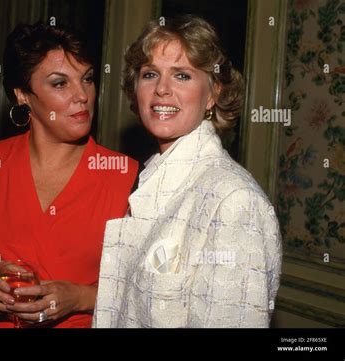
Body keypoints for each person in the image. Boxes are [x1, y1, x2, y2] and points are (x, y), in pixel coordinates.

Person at [0, 21, 138, 328]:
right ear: (23, 94)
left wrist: (80, 298)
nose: (83, 96)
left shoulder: (129, 177)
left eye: (87, 79)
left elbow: (150, 289)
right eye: (60, 83)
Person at [93, 15, 282, 328]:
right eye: (150, 73)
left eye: (181, 76)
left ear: (212, 94)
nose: (162, 90)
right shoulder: (153, 181)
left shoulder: (234, 202)